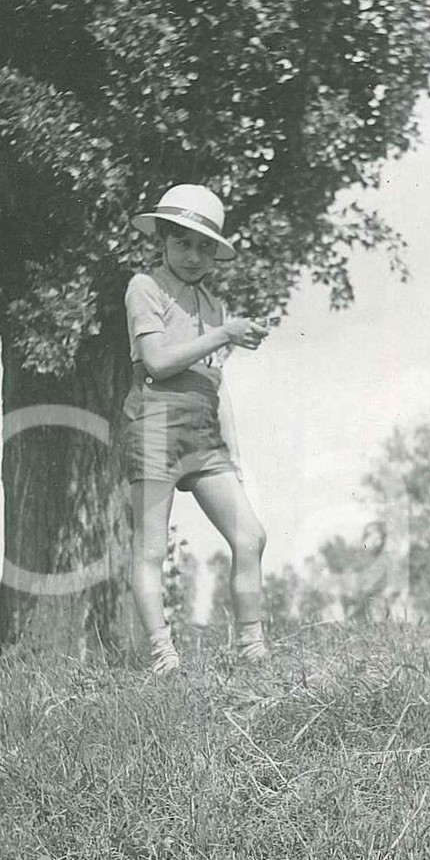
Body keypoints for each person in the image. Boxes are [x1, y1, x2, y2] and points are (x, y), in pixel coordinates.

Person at [121, 184, 269, 675]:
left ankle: (254, 650)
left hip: (203, 430)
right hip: (157, 422)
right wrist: (223, 334)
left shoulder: (212, 304)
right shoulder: (145, 286)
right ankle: (163, 655)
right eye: (182, 242)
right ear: (162, 240)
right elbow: (158, 361)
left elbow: (216, 380)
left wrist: (236, 456)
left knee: (250, 536)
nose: (193, 256)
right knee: (150, 547)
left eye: (205, 246)